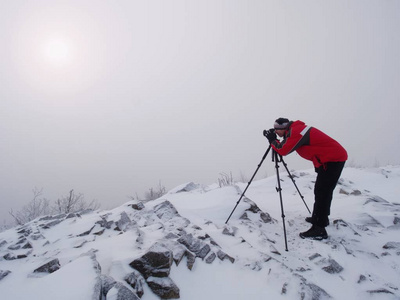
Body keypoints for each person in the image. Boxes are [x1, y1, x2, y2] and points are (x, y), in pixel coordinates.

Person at [264, 118, 347, 240]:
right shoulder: (294, 130)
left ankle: (319, 228)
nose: (276, 132)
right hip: (329, 160)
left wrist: (272, 140)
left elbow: (283, 149)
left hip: (333, 160)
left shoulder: (296, 132)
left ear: (283, 128)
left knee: (322, 192)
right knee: (321, 191)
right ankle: (320, 218)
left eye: (276, 129)